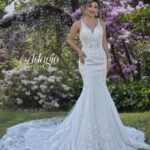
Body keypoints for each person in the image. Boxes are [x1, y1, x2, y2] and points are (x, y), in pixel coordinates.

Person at [0, 0, 150, 150]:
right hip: (86, 61)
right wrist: (79, 51)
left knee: (101, 92)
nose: (93, 9)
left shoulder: (101, 23)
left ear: (98, 10)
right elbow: (69, 39)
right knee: (89, 92)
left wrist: (109, 58)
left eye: (96, 7)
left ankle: (102, 131)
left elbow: (104, 42)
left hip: (100, 61)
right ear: (85, 8)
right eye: (90, 6)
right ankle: (84, 132)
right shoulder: (78, 24)